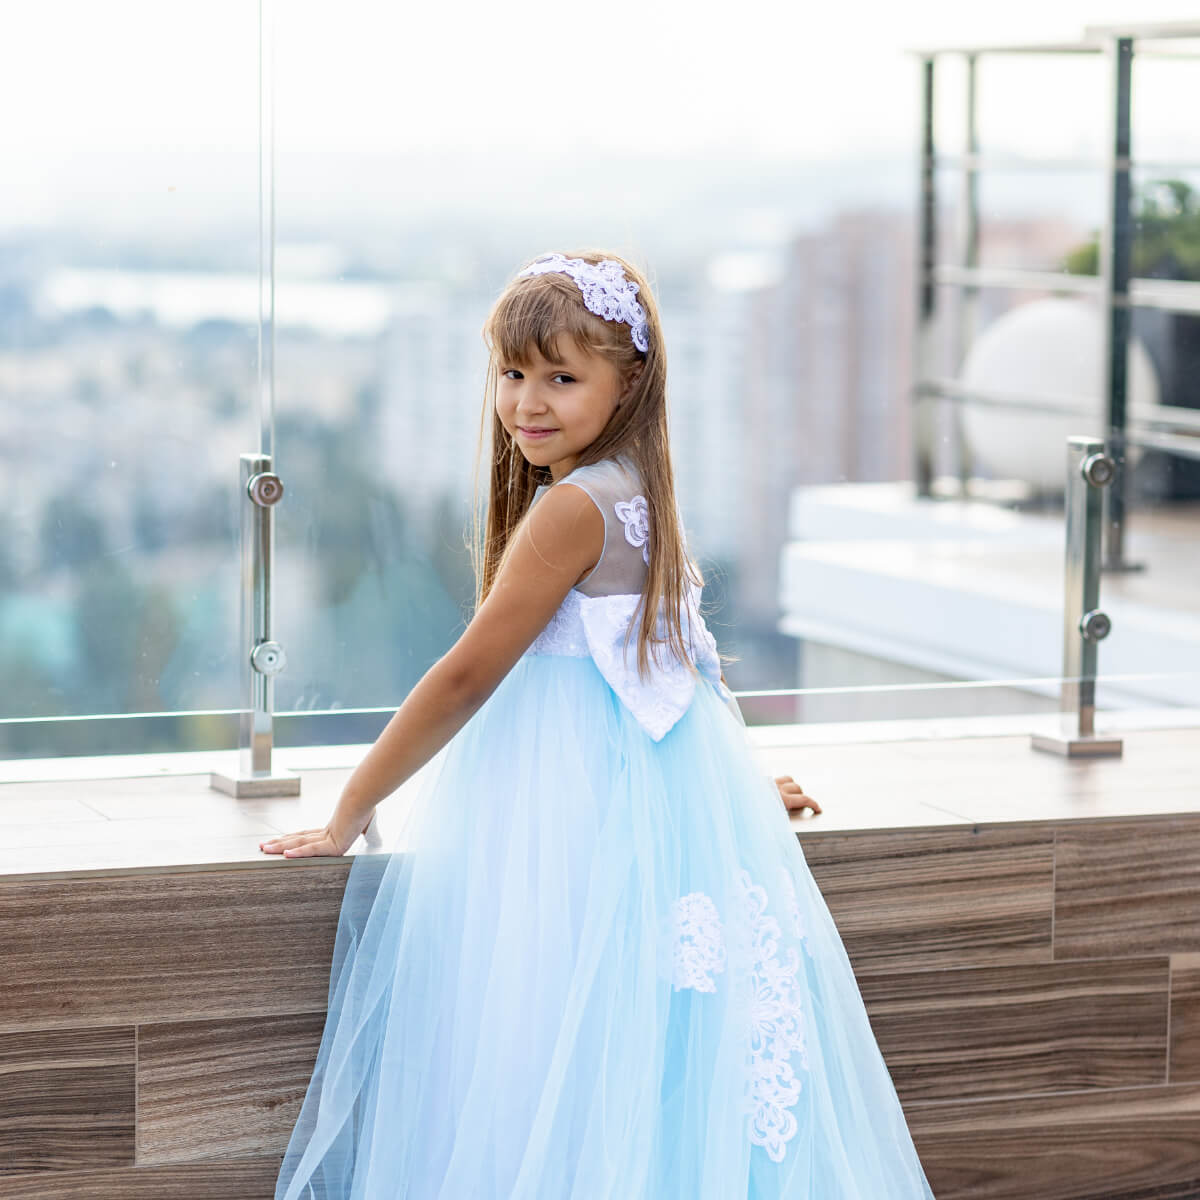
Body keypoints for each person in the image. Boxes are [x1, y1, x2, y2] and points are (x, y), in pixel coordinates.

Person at [260, 249, 935, 1199]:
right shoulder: (639, 492)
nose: (527, 402)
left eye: (562, 378)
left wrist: (351, 807)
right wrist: (734, 787)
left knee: (546, 1050)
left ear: (630, 383)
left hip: (576, 813)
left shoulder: (572, 510)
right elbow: (681, 668)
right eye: (512, 373)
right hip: (628, 794)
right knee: (639, 1066)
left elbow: (465, 679)